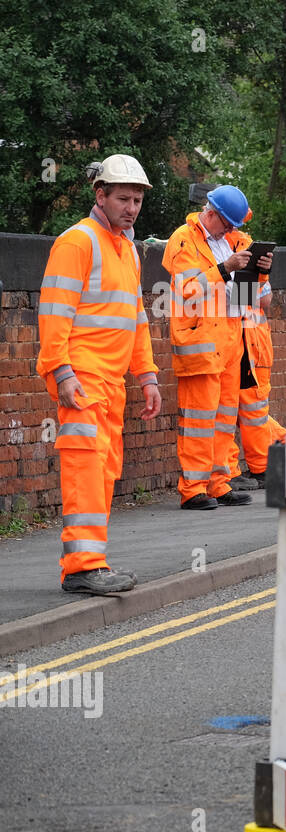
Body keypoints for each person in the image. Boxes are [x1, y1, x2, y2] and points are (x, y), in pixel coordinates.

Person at [36, 154, 162, 594]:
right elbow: (53, 312)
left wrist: (147, 376)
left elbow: (137, 318)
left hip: (111, 382)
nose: (131, 208)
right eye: (123, 199)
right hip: (83, 377)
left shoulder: (127, 247)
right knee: (86, 467)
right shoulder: (78, 242)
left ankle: (89, 562)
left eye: (137, 201)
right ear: (100, 195)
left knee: (105, 469)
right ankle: (83, 565)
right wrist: (62, 371)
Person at [162, 185, 275, 509]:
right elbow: (187, 289)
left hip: (230, 339)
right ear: (210, 214)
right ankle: (193, 489)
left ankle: (218, 483)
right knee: (199, 420)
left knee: (224, 418)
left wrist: (260, 272)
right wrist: (226, 267)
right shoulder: (183, 239)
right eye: (227, 225)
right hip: (199, 341)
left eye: (233, 226)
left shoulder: (232, 242)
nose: (231, 231)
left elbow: (245, 299)